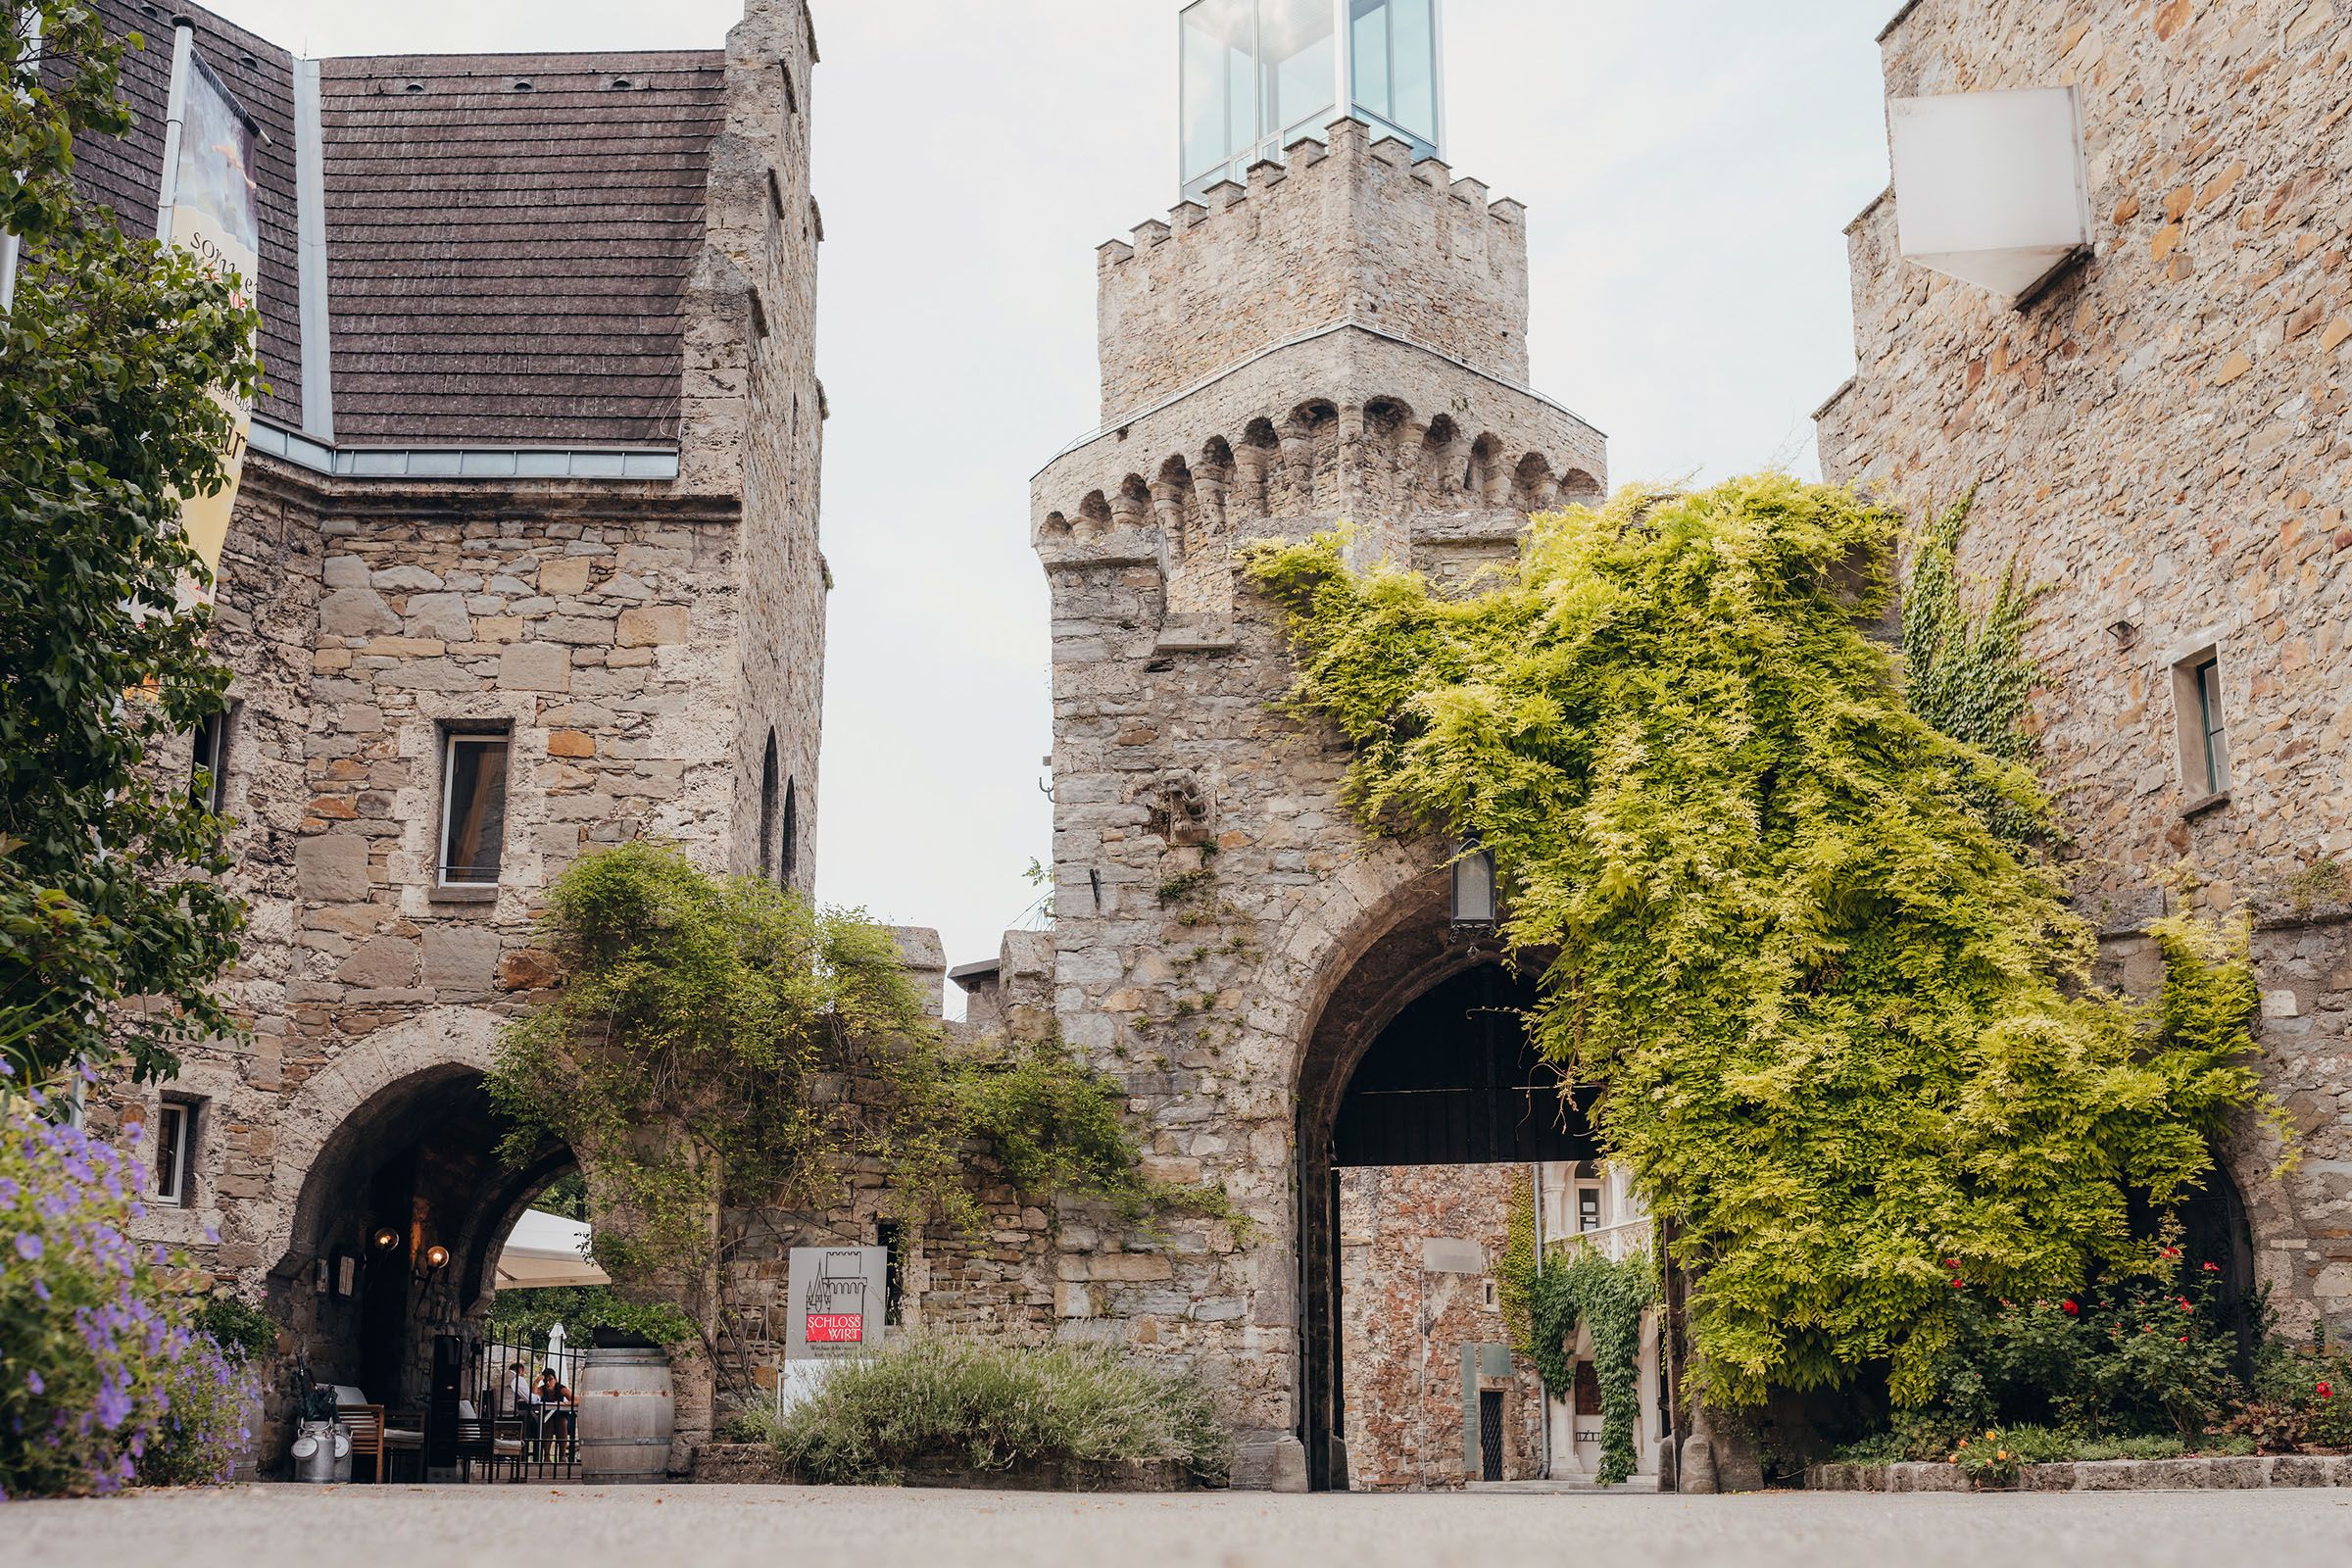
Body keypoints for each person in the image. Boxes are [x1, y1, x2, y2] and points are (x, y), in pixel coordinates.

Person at [536, 1367, 576, 1458]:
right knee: (548, 1423)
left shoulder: (561, 1389)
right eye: (545, 1380)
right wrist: (536, 1382)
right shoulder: (542, 1390)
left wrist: (564, 1403)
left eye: (550, 1379)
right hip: (547, 1416)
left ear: (555, 1379)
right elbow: (533, 1397)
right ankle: (546, 1456)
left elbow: (576, 1400)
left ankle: (562, 1455)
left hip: (561, 1415)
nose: (548, 1383)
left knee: (562, 1422)